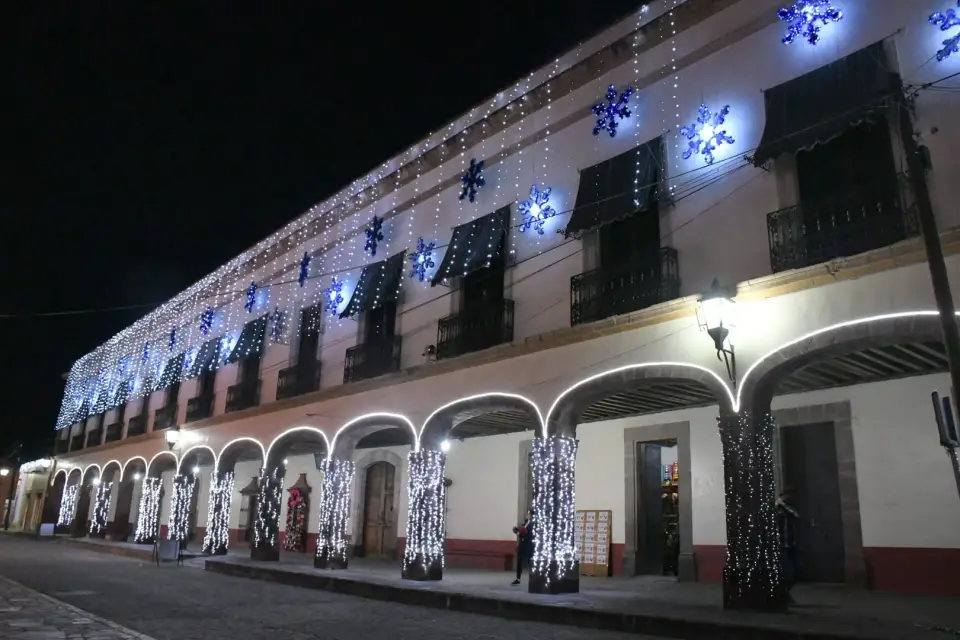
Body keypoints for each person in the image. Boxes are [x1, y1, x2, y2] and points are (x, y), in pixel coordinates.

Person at [776, 487, 799, 604]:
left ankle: (784, 593)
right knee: (788, 571)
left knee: (794, 571)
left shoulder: (789, 509)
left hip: (790, 543)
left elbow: (796, 517)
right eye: (790, 495)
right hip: (782, 545)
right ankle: (783, 594)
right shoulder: (778, 509)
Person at [511, 508, 534, 586]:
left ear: (531, 515)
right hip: (522, 544)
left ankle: (534, 578)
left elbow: (528, 534)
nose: (527, 515)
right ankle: (518, 578)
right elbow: (522, 530)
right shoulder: (526, 523)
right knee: (519, 562)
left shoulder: (532, 524)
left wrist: (520, 533)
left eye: (528, 514)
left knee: (529, 562)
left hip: (528, 545)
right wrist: (517, 530)